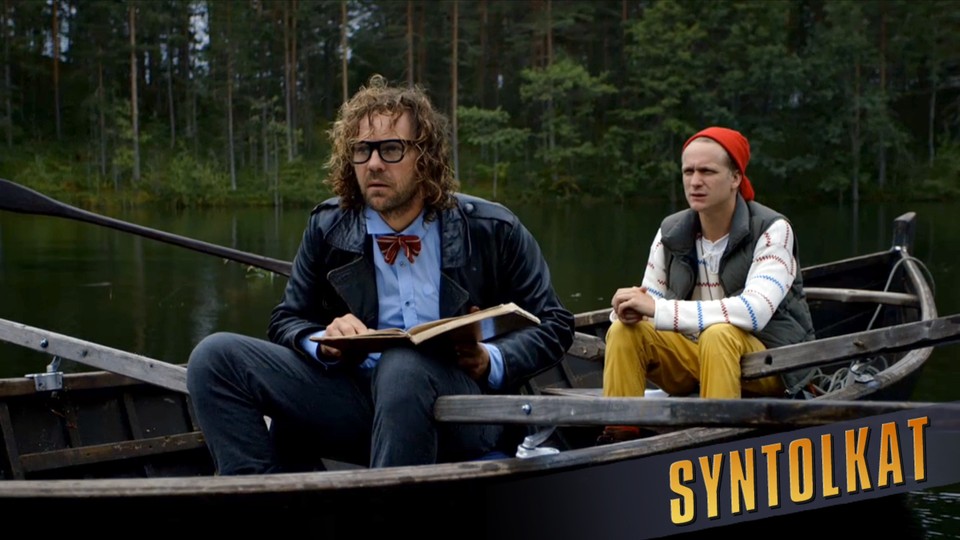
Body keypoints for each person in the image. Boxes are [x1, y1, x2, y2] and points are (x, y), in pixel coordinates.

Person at [186, 74, 575, 473]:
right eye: (362, 150)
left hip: (463, 411)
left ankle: (386, 507)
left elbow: (555, 324)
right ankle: (261, 500)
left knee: (402, 366)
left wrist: (490, 359)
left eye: (390, 149)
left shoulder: (492, 228)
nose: (373, 164)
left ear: (425, 157)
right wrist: (322, 342)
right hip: (358, 403)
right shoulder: (328, 227)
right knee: (214, 358)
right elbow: (287, 319)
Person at [598, 126, 816, 444]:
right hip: (696, 359)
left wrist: (658, 309)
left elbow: (754, 312)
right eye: (688, 171)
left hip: (768, 366)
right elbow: (651, 304)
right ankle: (619, 440)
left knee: (719, 334)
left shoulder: (772, 229)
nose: (695, 181)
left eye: (707, 171)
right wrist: (629, 309)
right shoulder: (671, 232)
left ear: (735, 178)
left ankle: (713, 444)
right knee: (624, 331)